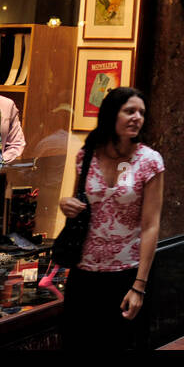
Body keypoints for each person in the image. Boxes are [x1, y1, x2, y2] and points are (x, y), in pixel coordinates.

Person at [59, 87, 164, 350]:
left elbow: (151, 225)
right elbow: (79, 203)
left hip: (125, 274)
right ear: (111, 115)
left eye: (141, 112)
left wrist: (140, 285)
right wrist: (66, 204)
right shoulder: (86, 156)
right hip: (84, 274)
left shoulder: (149, 161)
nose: (137, 117)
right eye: (129, 111)